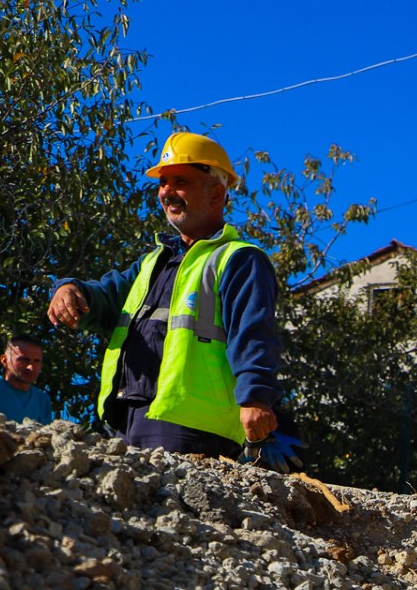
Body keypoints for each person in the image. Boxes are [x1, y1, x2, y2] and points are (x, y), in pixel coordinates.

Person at [46, 132, 279, 457]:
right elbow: (104, 298)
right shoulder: (154, 262)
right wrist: (69, 289)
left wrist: (255, 397)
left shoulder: (239, 259)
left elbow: (253, 334)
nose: (166, 191)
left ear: (216, 194)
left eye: (179, 181)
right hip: (126, 420)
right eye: (163, 183)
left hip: (192, 428)